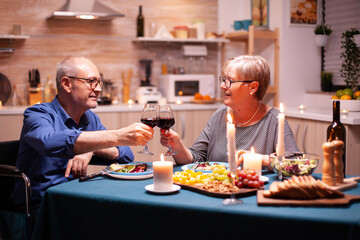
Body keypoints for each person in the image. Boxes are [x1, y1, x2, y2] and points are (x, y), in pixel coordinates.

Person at [11, 56, 154, 211]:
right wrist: (117, 136)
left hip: (75, 198)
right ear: (67, 84)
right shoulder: (38, 114)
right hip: (40, 206)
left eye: (99, 82)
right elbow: (48, 142)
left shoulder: (90, 118)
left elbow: (125, 155)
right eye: (91, 82)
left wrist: (92, 149)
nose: (99, 89)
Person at [160, 55, 299, 169]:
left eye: (230, 81)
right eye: (224, 80)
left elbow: (296, 165)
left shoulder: (274, 120)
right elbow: (195, 159)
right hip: (216, 191)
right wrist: (177, 145)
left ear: (253, 87)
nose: (222, 86)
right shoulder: (220, 115)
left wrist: (263, 159)